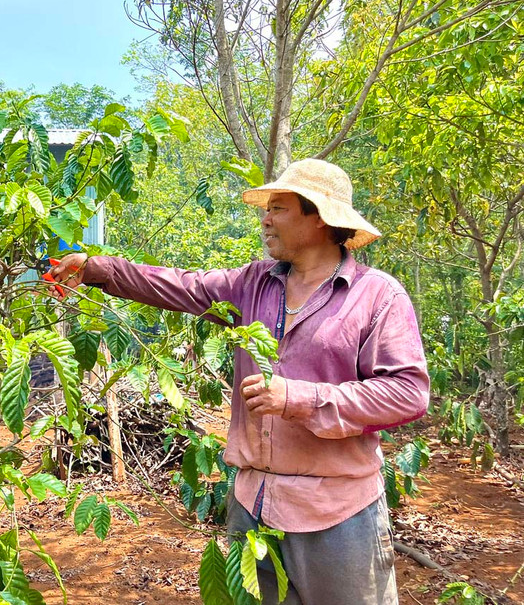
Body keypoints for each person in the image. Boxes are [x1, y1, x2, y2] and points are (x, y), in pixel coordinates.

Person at [48, 159, 430, 605]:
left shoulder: (377, 295)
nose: (265, 219)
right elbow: (180, 285)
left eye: (279, 208)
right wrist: (94, 268)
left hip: (337, 512)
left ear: (321, 218)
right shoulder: (252, 284)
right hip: (253, 506)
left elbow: (408, 393)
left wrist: (300, 397)